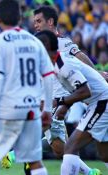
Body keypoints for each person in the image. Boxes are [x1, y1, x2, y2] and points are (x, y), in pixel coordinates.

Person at [2, 5, 102, 175]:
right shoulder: (37, 43)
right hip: (47, 98)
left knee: (56, 141)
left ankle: (17, 153)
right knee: (58, 147)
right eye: (34, 22)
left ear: (50, 22)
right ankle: (90, 172)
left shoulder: (61, 42)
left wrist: (97, 74)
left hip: (58, 98)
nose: (36, 25)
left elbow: (80, 56)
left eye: (39, 21)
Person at [0, 1, 55, 175]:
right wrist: (48, 109)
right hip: (31, 108)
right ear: (20, 18)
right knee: (35, 162)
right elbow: (48, 76)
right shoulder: (34, 41)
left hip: (7, 109)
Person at [35, 30, 108, 175]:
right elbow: (76, 89)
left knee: (70, 147)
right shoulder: (55, 64)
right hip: (99, 101)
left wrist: (60, 102)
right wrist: (65, 105)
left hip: (102, 101)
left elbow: (85, 91)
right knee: (104, 153)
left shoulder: (62, 64)